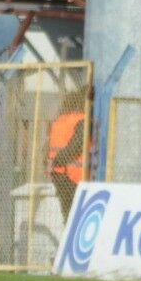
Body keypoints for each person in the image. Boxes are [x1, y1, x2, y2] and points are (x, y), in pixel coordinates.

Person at [47, 91, 89, 219]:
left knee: (67, 214)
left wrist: (53, 163)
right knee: (78, 216)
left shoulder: (59, 121)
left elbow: (49, 147)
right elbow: (76, 145)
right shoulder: (81, 120)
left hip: (58, 174)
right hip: (74, 175)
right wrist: (59, 160)